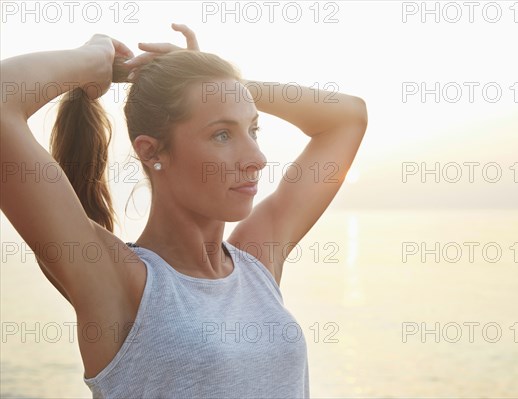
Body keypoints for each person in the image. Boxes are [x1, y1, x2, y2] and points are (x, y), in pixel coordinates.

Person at [0, 23, 368, 398]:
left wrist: (215, 81)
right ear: (151, 151)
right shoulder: (118, 280)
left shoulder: (257, 264)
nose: (256, 159)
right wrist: (92, 59)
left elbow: (347, 118)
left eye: (253, 130)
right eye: (222, 135)